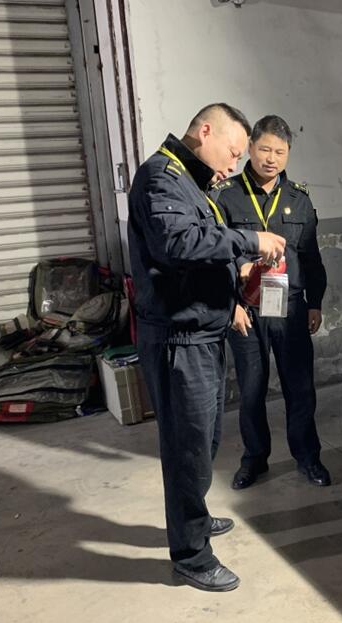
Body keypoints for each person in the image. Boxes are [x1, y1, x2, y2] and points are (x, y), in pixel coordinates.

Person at [128, 103, 286, 592]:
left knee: (205, 441)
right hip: (179, 339)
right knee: (187, 448)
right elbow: (178, 244)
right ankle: (191, 556)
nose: (235, 164)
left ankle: (191, 516)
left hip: (203, 332)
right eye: (234, 152)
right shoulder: (161, 177)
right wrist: (249, 241)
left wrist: (235, 286)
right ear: (205, 131)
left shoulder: (190, 183)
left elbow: (201, 248)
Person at [213, 115, 330, 491]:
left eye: (280, 152)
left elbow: (310, 256)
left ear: (288, 154)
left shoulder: (298, 198)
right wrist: (230, 305)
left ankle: (308, 458)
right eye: (264, 149)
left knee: (300, 388)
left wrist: (315, 302)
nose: (271, 158)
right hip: (246, 310)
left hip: (291, 308)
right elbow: (216, 258)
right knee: (251, 390)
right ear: (250, 148)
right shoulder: (226, 196)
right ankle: (254, 459)